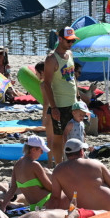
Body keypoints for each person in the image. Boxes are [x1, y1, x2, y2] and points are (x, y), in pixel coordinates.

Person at [51, 138, 110, 211]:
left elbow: (55, 198)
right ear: (81, 152)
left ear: (66, 154)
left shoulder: (57, 170)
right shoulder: (95, 163)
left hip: (88, 213)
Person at [41, 26, 79, 165]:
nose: (70, 44)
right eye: (68, 41)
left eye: (72, 41)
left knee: (73, 136)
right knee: (58, 138)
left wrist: (78, 96)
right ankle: (58, 165)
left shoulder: (70, 54)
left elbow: (72, 77)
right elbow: (47, 84)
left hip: (73, 102)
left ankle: (70, 163)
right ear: (60, 39)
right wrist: (54, 107)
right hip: (60, 105)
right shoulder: (51, 59)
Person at [0, 136, 54, 212]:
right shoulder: (35, 164)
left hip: (34, 207)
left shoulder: (18, 164)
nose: (42, 153)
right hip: (48, 201)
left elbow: (12, 188)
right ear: (33, 150)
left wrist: (3, 206)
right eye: (41, 150)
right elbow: (50, 188)